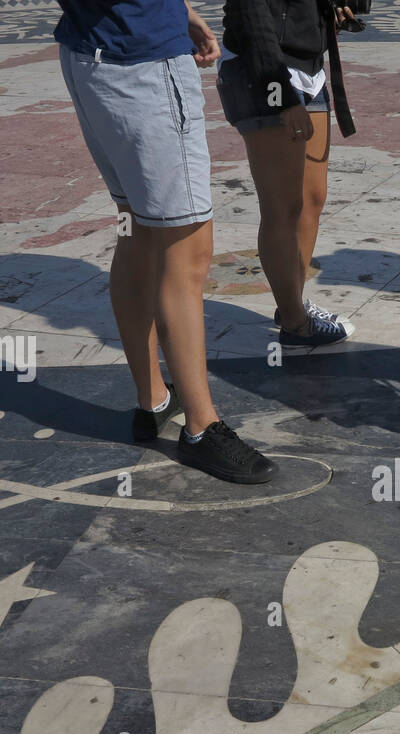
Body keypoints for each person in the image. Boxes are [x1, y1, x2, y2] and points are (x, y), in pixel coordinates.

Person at [55, 0, 276, 483]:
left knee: (134, 227)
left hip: (94, 52)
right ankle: (201, 427)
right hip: (141, 64)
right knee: (186, 245)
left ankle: (152, 398)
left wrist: (179, 10)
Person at [217, 0, 359, 348]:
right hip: (265, 70)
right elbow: (251, 14)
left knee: (312, 199)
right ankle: (296, 323)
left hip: (310, 69)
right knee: (283, 207)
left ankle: (291, 302)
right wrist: (280, 93)